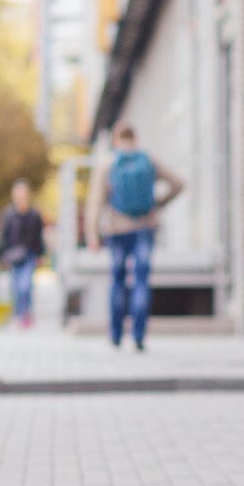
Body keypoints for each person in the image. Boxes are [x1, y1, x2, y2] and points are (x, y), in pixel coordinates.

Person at [89, 123, 185, 351]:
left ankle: (115, 335)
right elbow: (179, 183)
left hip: (116, 229)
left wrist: (92, 233)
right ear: (136, 138)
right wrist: (158, 205)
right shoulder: (148, 160)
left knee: (118, 280)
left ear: (115, 140)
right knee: (141, 281)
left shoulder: (108, 163)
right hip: (144, 227)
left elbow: (95, 203)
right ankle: (139, 335)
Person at [0, 178, 47, 329]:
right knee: (16, 286)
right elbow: (4, 237)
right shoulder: (9, 214)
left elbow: (38, 236)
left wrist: (40, 255)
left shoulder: (34, 214)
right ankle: (19, 313)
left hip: (29, 254)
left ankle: (26, 313)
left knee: (26, 286)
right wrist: (3, 256)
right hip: (13, 256)